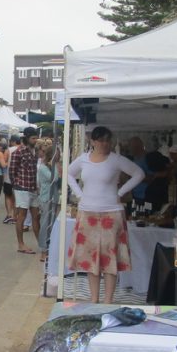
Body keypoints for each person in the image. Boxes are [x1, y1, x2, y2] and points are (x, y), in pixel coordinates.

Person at [66, 126, 145, 303]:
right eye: (100, 140)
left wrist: (120, 192)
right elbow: (68, 173)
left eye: (107, 140)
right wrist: (79, 194)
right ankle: (94, 298)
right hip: (87, 211)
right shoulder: (83, 159)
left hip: (111, 212)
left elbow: (139, 173)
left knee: (110, 258)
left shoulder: (116, 160)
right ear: (92, 141)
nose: (104, 144)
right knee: (90, 258)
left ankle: (108, 299)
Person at [7, 133, 37, 254]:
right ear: (27, 138)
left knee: (36, 215)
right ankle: (20, 244)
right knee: (22, 216)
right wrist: (16, 185)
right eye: (33, 137)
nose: (35, 140)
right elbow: (12, 170)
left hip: (33, 187)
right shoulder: (19, 152)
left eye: (36, 137)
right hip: (22, 187)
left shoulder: (36, 151)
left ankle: (41, 245)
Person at [35, 138, 57, 260]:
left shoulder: (47, 167)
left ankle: (48, 248)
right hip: (45, 198)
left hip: (52, 197)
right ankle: (43, 249)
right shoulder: (44, 167)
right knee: (45, 224)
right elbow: (54, 178)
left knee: (51, 224)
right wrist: (57, 167)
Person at [126, 136, 149, 209]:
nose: (129, 149)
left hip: (144, 195)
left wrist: (136, 177)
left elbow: (153, 177)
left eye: (130, 147)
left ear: (137, 147)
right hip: (135, 195)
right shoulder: (135, 158)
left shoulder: (147, 159)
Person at [1, 135, 19, 223]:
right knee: (16, 198)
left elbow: (3, 162)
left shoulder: (9, 150)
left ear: (13, 141)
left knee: (8, 196)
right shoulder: (23, 149)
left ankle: (9, 215)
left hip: (8, 177)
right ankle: (15, 216)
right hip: (19, 178)